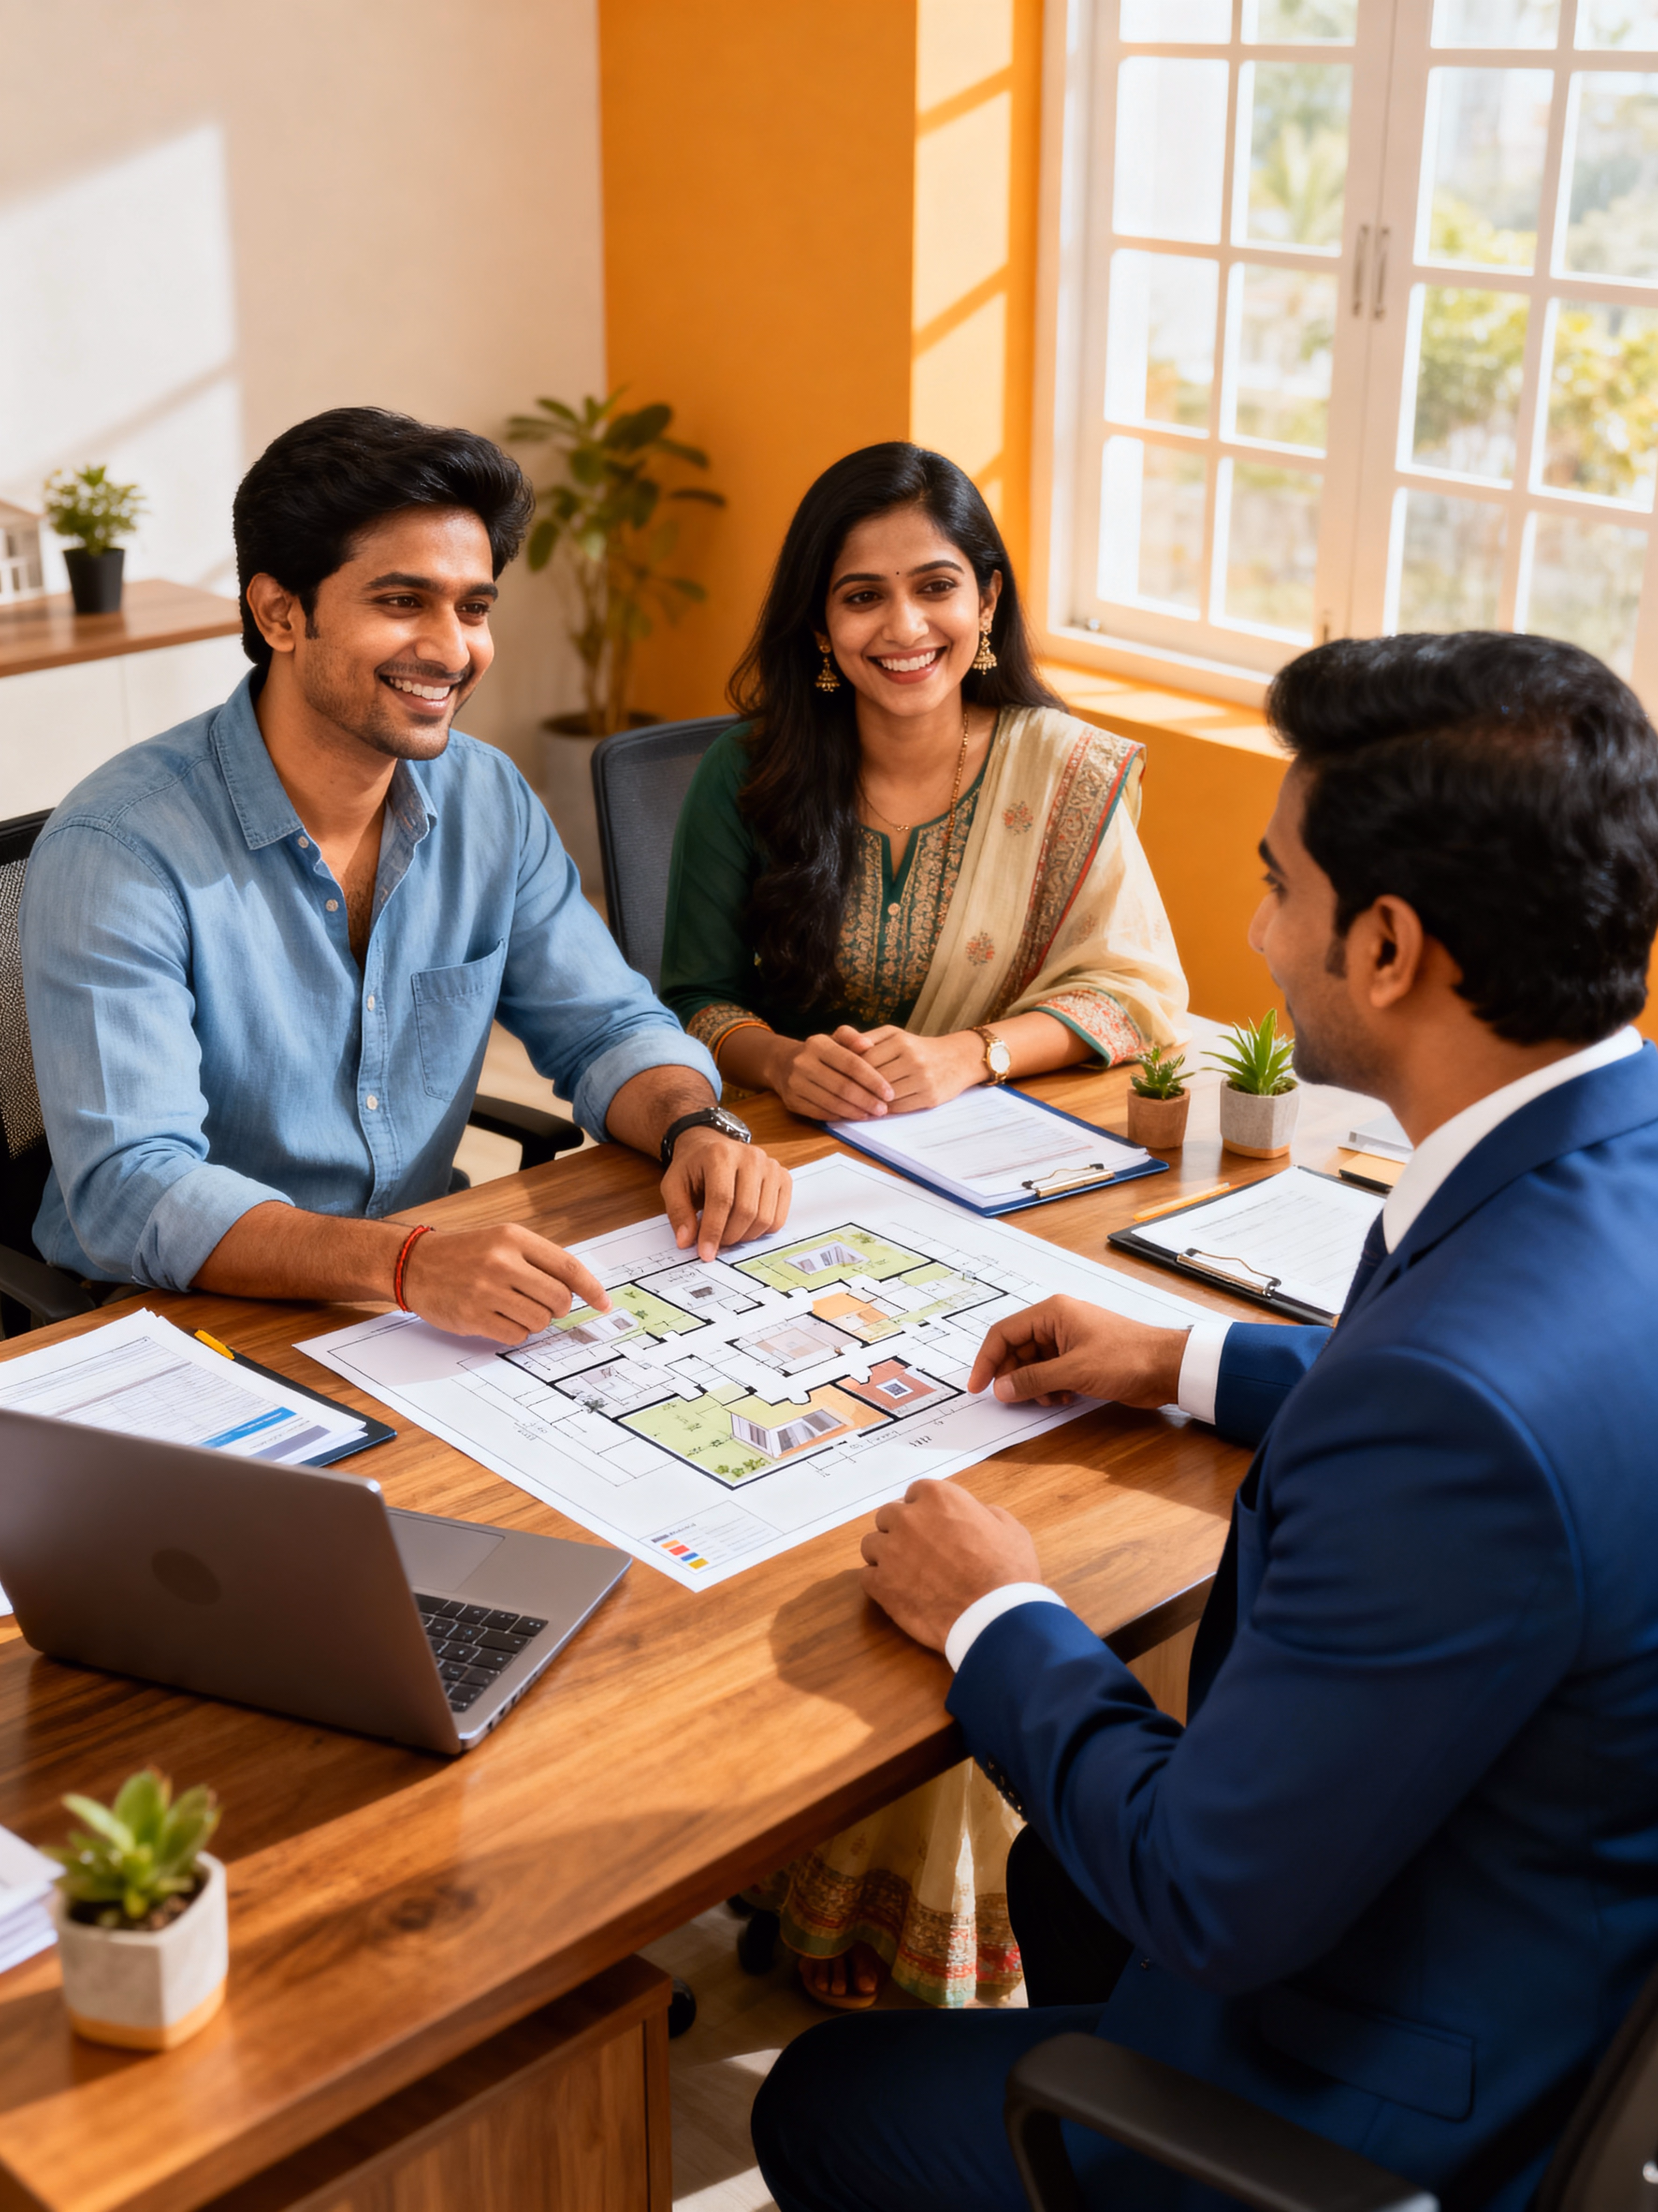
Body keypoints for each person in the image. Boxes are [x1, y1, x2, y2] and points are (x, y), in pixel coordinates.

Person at [752, 629, 1658, 2209]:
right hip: (1541, 1927)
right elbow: (1505, 1425)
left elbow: (1206, 1891)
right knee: (1059, 1866)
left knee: (830, 2096)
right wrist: (1181, 1359)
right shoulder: (1598, 1161)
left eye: (1276, 884)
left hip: (1403, 2104)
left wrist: (995, 1612)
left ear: (1388, 945)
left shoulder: (1452, 1411)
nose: (1257, 931)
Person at [660, 442, 1188, 2011]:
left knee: (1029, 1486)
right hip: (782, 1207)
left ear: (989, 601)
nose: (905, 628)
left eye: (937, 587)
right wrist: (775, 1059)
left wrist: (973, 1052)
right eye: (862, 596)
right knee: (793, 1486)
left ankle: (982, 1899)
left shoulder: (1063, 774)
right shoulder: (749, 777)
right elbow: (681, 999)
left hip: (1010, 1203)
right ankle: (787, 1847)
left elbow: (1138, 998)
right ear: (818, 627)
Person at [21, 407, 790, 1338]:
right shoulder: (120, 848)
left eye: (474, 608)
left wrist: (693, 1125)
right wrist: (402, 1263)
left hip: (410, 1293)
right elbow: (135, 1188)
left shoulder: (487, 798)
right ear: (279, 614)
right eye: (401, 602)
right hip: (173, 1313)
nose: (453, 650)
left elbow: (608, 1025)